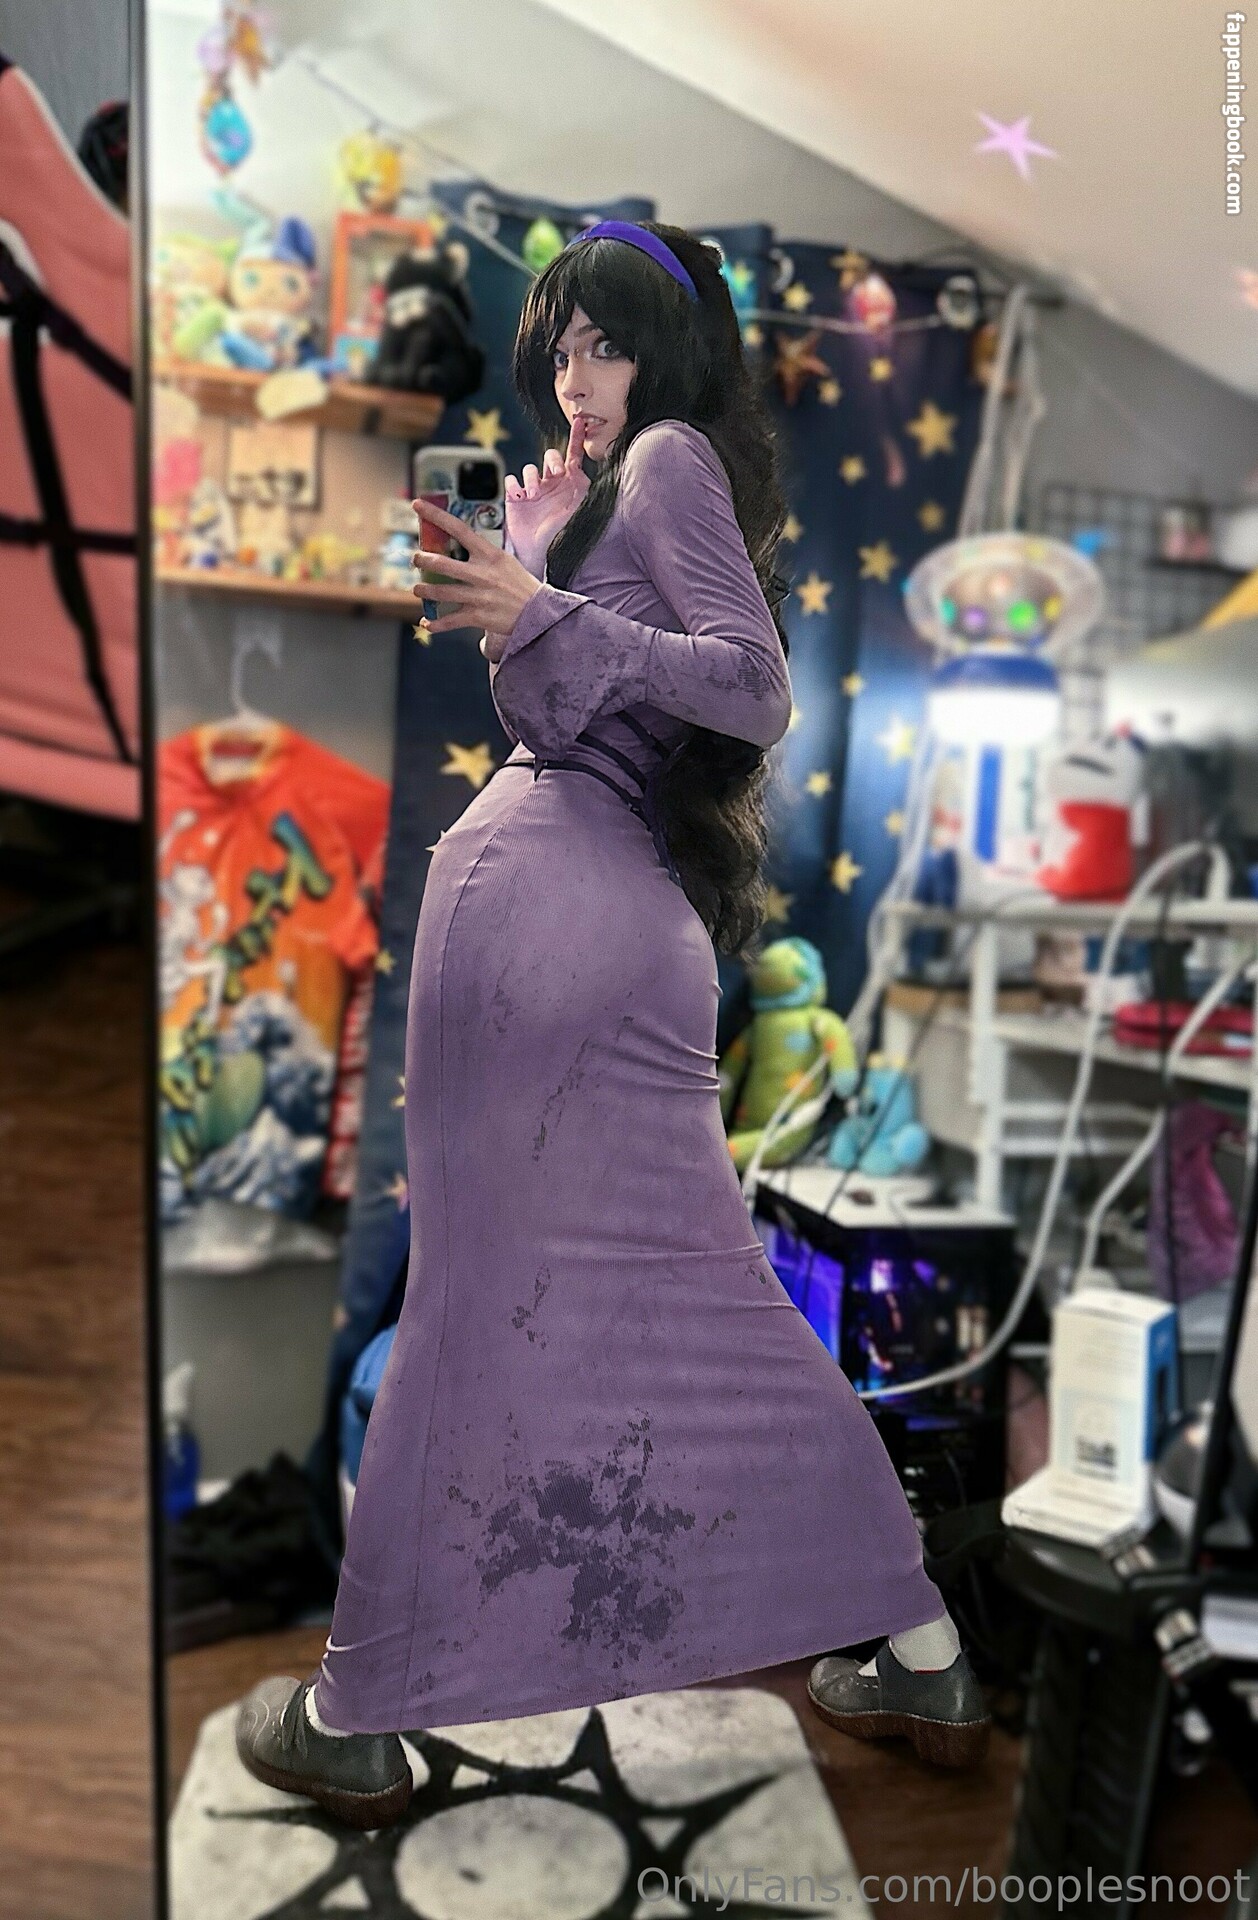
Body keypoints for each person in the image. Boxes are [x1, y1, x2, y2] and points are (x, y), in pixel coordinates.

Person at [236, 220, 990, 1829]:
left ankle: (355, 1709)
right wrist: (541, 574)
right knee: (701, 1293)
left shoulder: (663, 459)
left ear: (670, 350)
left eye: (606, 344)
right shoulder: (629, 488)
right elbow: (607, 707)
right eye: (561, 352)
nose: (577, 382)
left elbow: (753, 685)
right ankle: (922, 1650)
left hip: (550, 914)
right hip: (606, 913)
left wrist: (544, 601)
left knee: (469, 1303)